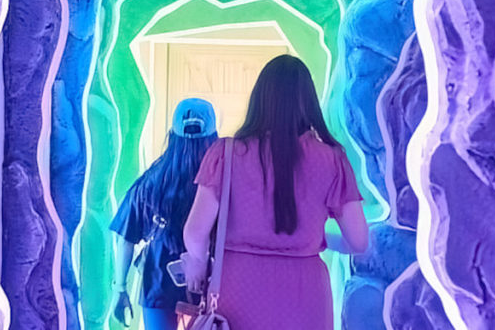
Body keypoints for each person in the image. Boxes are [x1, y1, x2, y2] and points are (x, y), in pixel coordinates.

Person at [181, 55, 369, 330]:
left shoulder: (227, 154)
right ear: (309, 103)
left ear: (260, 99)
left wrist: (197, 263)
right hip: (306, 295)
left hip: (238, 289)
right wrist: (318, 238)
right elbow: (359, 241)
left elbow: (195, 233)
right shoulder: (333, 160)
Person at [110, 98, 219, 329]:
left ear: (172, 135)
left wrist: (120, 288)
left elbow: (126, 239)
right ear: (214, 138)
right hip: (211, 287)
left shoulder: (151, 181)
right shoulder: (220, 184)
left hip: (157, 285)